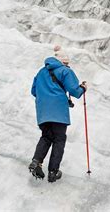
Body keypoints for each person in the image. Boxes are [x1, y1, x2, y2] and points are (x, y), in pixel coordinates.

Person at [29, 46, 87, 182]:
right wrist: (83, 88)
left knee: (46, 136)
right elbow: (75, 91)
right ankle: (53, 171)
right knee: (59, 139)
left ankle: (36, 161)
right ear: (64, 62)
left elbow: (33, 91)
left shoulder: (41, 72)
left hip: (43, 112)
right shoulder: (65, 71)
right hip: (58, 113)